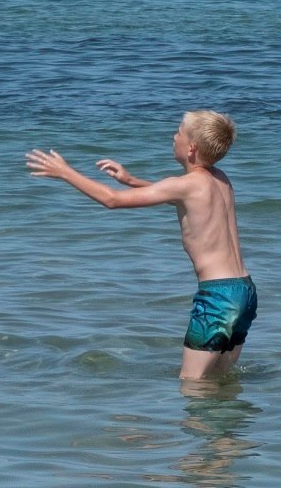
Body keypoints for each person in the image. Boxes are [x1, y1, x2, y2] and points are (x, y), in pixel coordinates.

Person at [25, 110, 255, 380]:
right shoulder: (221, 180)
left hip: (217, 296)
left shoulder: (185, 185)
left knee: (192, 385)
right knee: (220, 379)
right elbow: (181, 198)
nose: (174, 136)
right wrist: (131, 181)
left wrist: (65, 172)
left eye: (179, 131)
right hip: (245, 291)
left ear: (191, 148)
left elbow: (112, 200)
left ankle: (195, 424)